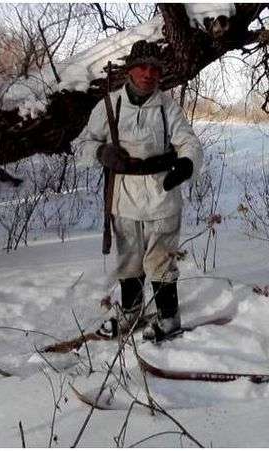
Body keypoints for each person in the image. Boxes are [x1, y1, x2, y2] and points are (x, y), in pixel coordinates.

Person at [74, 40, 203, 342]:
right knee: (129, 260)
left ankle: (169, 318)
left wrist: (185, 164)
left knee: (161, 261)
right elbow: (81, 144)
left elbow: (189, 142)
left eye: (154, 69)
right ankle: (130, 313)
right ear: (130, 70)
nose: (148, 74)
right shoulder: (110, 105)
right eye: (142, 67)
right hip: (124, 196)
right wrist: (102, 153)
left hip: (162, 194)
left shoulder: (168, 106)